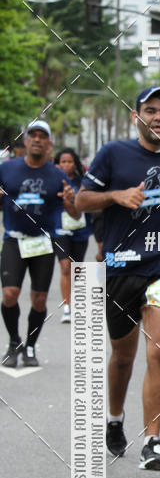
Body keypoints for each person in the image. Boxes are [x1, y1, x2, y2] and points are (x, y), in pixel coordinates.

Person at [75, 86, 160, 470]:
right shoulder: (113, 154)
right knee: (124, 356)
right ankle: (115, 419)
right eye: (151, 110)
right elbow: (81, 200)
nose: (158, 116)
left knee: (158, 350)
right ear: (137, 116)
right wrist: (116, 196)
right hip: (120, 269)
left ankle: (153, 441)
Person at [0, 120, 79, 367]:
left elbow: (75, 214)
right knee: (10, 294)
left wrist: (70, 201)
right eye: (32, 135)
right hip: (14, 239)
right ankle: (14, 342)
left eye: (41, 136)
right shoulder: (7, 170)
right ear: (25, 141)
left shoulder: (57, 175)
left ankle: (31, 347)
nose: (36, 139)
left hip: (43, 243)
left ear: (49, 143)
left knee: (39, 300)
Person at [53, 148, 94, 323]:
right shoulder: (51, 182)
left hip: (80, 230)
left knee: (76, 269)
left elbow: (91, 201)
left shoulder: (83, 182)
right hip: (58, 230)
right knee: (65, 266)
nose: (66, 165)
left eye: (69, 161)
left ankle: (75, 299)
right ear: (57, 164)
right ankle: (67, 308)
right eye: (63, 161)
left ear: (75, 163)